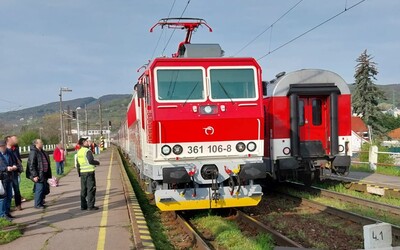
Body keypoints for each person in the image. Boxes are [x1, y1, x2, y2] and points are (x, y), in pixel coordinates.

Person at [27, 139, 52, 209]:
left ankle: (40, 203)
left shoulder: (41, 151)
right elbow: (31, 165)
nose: (42, 143)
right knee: (39, 189)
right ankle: (37, 204)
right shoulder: (34, 152)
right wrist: (34, 175)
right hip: (38, 174)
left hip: (44, 173)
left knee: (43, 189)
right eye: (40, 142)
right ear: (36, 144)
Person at [76, 137, 100, 210]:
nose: (88, 142)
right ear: (83, 143)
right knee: (91, 189)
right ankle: (90, 206)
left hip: (83, 173)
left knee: (83, 190)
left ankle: (83, 206)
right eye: (86, 141)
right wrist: (97, 162)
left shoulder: (79, 152)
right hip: (89, 173)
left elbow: (78, 164)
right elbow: (90, 161)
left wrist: (79, 173)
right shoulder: (87, 151)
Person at [5, 136, 23, 211]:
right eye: (11, 140)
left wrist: (16, 166)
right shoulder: (5, 150)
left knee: (16, 189)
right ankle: (7, 208)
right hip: (6, 173)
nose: (13, 140)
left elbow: (17, 159)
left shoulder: (15, 149)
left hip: (14, 172)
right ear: (7, 141)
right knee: (7, 191)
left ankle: (18, 205)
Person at [0, 139, 17, 220]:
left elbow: (14, 161)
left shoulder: (9, 152)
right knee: (3, 197)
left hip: (9, 177)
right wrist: (6, 168)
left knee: (9, 196)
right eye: (2, 146)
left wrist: (14, 165)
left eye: (4, 146)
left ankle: (7, 212)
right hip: (2, 178)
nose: (3, 147)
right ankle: (3, 215)